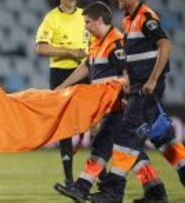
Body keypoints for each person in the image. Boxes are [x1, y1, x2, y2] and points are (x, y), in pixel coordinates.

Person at [54, 2, 168, 203]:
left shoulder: (116, 44)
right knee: (128, 150)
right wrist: (62, 86)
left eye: (87, 22)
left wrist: (126, 97)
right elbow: (86, 66)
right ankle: (155, 190)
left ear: (99, 21)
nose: (85, 26)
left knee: (105, 145)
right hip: (109, 107)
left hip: (119, 106)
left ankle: (85, 186)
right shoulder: (98, 42)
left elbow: (127, 73)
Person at [90, 0, 185, 202]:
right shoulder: (128, 19)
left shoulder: (145, 17)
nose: (117, 1)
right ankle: (155, 193)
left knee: (126, 137)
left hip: (146, 88)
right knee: (162, 135)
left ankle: (113, 193)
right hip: (138, 87)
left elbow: (165, 44)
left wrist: (151, 80)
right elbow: (134, 58)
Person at [35, 0, 89, 191]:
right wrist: (69, 51)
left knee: (94, 121)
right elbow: (40, 48)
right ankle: (69, 178)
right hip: (60, 73)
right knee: (64, 125)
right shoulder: (52, 17)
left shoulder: (85, 15)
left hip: (86, 72)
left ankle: (100, 174)